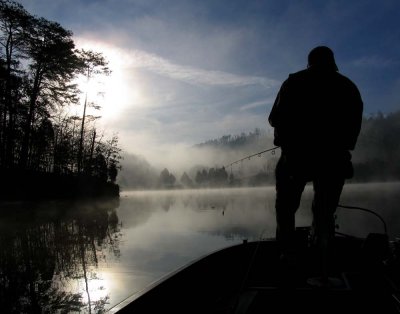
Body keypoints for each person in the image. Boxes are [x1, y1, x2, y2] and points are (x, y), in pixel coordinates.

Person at [268, 46, 363, 265]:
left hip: (296, 159)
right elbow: (353, 129)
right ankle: (322, 254)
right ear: (332, 62)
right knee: (324, 212)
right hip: (334, 161)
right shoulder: (348, 87)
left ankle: (287, 255)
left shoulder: (293, 83)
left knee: (285, 207)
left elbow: (274, 118)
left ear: (309, 62)